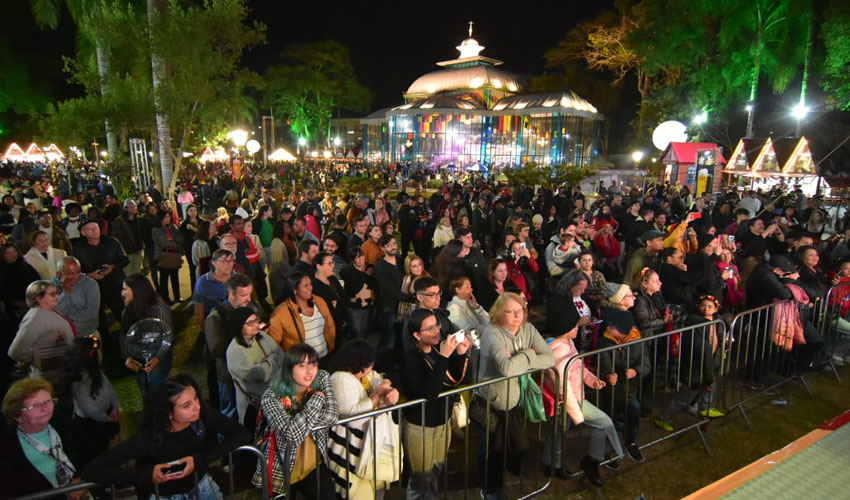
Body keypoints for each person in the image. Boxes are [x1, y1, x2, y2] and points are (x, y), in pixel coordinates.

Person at [83, 374, 249, 499]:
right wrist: (147, 474)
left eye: (196, 398)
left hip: (203, 488)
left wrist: (200, 460)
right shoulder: (149, 437)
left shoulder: (204, 416)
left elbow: (242, 434)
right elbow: (95, 470)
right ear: (168, 413)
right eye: (186, 405)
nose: (197, 407)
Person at [476, 292, 554, 500]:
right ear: (499, 312)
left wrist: (518, 361)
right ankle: (488, 489)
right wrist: (529, 354)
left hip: (514, 401)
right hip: (488, 403)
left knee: (515, 446)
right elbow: (507, 369)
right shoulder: (492, 334)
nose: (516, 316)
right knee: (490, 449)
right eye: (510, 312)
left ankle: (496, 483)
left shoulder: (528, 329)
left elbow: (549, 358)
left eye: (519, 311)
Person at [542, 316, 623, 486]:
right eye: (574, 325)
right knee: (563, 431)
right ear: (564, 329)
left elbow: (579, 367)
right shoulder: (558, 350)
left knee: (559, 431)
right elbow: (563, 386)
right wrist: (577, 414)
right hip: (566, 401)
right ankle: (560, 464)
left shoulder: (568, 344)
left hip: (573, 400)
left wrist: (592, 380)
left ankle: (557, 463)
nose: (578, 328)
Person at [401, 308, 470, 500]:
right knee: (420, 479)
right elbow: (429, 392)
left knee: (435, 472)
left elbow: (461, 379)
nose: (436, 331)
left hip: (443, 422)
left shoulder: (440, 350)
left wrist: (461, 354)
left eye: (436, 325)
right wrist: (444, 357)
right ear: (416, 334)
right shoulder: (410, 359)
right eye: (429, 328)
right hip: (420, 426)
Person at [253, 343, 338, 500]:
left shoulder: (322, 377)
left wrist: (296, 425)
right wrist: (318, 399)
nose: (310, 371)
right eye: (302, 365)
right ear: (289, 368)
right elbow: (291, 436)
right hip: (282, 470)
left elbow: (332, 416)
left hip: (314, 465)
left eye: (313, 364)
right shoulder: (271, 397)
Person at [327, 340, 400, 499]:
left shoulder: (365, 376)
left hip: (371, 450)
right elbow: (353, 417)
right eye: (370, 363)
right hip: (350, 454)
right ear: (361, 364)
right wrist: (378, 396)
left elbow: (380, 380)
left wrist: (388, 389)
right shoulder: (340, 380)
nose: (372, 366)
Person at [1, 378, 84, 499]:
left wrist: (82, 479)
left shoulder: (63, 423)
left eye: (48, 401)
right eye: (35, 406)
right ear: (17, 415)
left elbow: (88, 452)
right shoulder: (6, 444)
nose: (45, 408)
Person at [596, 282, 648, 463]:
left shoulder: (637, 341)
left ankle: (630, 441)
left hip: (630, 388)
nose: (608, 328)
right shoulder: (605, 341)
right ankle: (605, 451)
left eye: (613, 327)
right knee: (608, 417)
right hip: (611, 391)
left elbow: (645, 363)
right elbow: (604, 362)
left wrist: (636, 371)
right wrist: (607, 375)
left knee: (633, 410)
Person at [58, 336, 120, 470]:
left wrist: (114, 406)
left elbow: (109, 386)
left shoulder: (95, 371)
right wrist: (106, 418)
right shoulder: (78, 383)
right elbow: (90, 410)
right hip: (92, 425)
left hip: (105, 416)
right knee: (96, 453)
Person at [205, 273, 259, 420]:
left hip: (251, 370)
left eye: (250, 294)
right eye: (243, 295)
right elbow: (217, 349)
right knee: (230, 413)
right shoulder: (216, 317)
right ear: (231, 294)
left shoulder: (251, 306)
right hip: (229, 376)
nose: (249, 299)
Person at [8, 280, 76, 383]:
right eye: (52, 294)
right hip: (49, 377)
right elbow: (16, 351)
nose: (57, 296)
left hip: (61, 370)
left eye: (57, 292)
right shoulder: (35, 318)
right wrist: (36, 359)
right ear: (38, 298)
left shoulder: (50, 309)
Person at [71, 217, 129, 335]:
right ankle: (105, 344)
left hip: (114, 284)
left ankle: (131, 336)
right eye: (90, 229)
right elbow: (74, 271)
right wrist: (89, 275)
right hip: (92, 288)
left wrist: (112, 267)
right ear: (83, 232)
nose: (94, 231)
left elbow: (125, 259)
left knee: (121, 313)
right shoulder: (78, 249)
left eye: (96, 228)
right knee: (98, 318)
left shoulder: (112, 242)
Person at [226, 306, 284, 425]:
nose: (255, 325)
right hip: (255, 405)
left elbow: (280, 355)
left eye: (256, 320)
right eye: (250, 323)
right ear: (239, 326)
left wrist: (265, 364)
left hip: (276, 396)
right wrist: (271, 360)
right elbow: (260, 375)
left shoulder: (262, 337)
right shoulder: (235, 351)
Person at [121, 274, 173, 394]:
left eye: (125, 289)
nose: (123, 293)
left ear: (137, 290)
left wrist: (158, 358)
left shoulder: (159, 309)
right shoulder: (128, 311)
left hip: (157, 357)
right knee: (145, 391)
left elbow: (168, 334)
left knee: (158, 391)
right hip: (138, 358)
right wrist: (128, 357)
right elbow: (124, 335)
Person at [268, 272, 336, 359]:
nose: (310, 288)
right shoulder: (280, 314)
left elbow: (330, 325)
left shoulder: (319, 301)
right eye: (305, 285)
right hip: (302, 364)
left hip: (325, 357)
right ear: (295, 289)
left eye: (310, 284)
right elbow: (274, 345)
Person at [682, 295, 726, 419]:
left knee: (709, 386)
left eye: (710, 306)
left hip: (710, 360)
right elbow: (702, 347)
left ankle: (703, 409)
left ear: (716, 309)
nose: (706, 309)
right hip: (697, 362)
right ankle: (664, 416)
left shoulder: (718, 322)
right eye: (703, 305)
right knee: (687, 394)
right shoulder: (696, 322)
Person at [53, 256, 100, 339]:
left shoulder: (90, 284)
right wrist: (65, 292)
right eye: (71, 273)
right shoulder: (52, 287)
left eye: (78, 272)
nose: (76, 276)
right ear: (59, 274)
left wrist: (66, 320)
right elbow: (55, 312)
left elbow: (91, 313)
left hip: (88, 333)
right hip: (65, 337)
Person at [1, 242, 46, 322]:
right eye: (8, 253)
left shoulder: (26, 268)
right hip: (13, 308)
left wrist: (29, 301)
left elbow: (36, 283)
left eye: (14, 252)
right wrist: (16, 303)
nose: (13, 255)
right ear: (3, 255)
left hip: (32, 303)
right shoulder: (2, 271)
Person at [340, 246, 375, 340]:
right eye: (356, 257)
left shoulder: (370, 267)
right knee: (356, 330)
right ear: (352, 260)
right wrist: (366, 274)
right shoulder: (347, 271)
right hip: (354, 306)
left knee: (364, 330)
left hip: (367, 305)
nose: (359, 260)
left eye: (361, 256)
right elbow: (356, 288)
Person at [151, 210, 184, 303]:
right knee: (164, 278)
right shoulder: (156, 229)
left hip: (174, 255)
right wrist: (174, 241)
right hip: (163, 255)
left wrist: (172, 238)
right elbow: (162, 242)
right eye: (166, 217)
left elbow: (181, 238)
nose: (168, 218)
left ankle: (177, 296)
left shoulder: (172, 227)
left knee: (175, 277)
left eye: (169, 216)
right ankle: (165, 298)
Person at [311, 251, 347, 330]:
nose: (333, 265)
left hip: (339, 323)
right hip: (326, 327)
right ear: (319, 266)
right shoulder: (313, 287)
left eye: (333, 262)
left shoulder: (332, 278)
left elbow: (343, 295)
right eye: (329, 263)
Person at [398, 252, 430, 322]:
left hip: (421, 314)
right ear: (409, 268)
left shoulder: (425, 279)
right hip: (408, 313)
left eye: (420, 264)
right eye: (414, 266)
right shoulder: (406, 279)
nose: (418, 268)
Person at [179, 204, 202, 291]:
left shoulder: (201, 222)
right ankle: (194, 290)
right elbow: (182, 237)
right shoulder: (185, 224)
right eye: (191, 211)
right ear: (187, 212)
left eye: (194, 210)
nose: (193, 212)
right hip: (190, 249)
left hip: (201, 249)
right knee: (192, 269)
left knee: (201, 269)